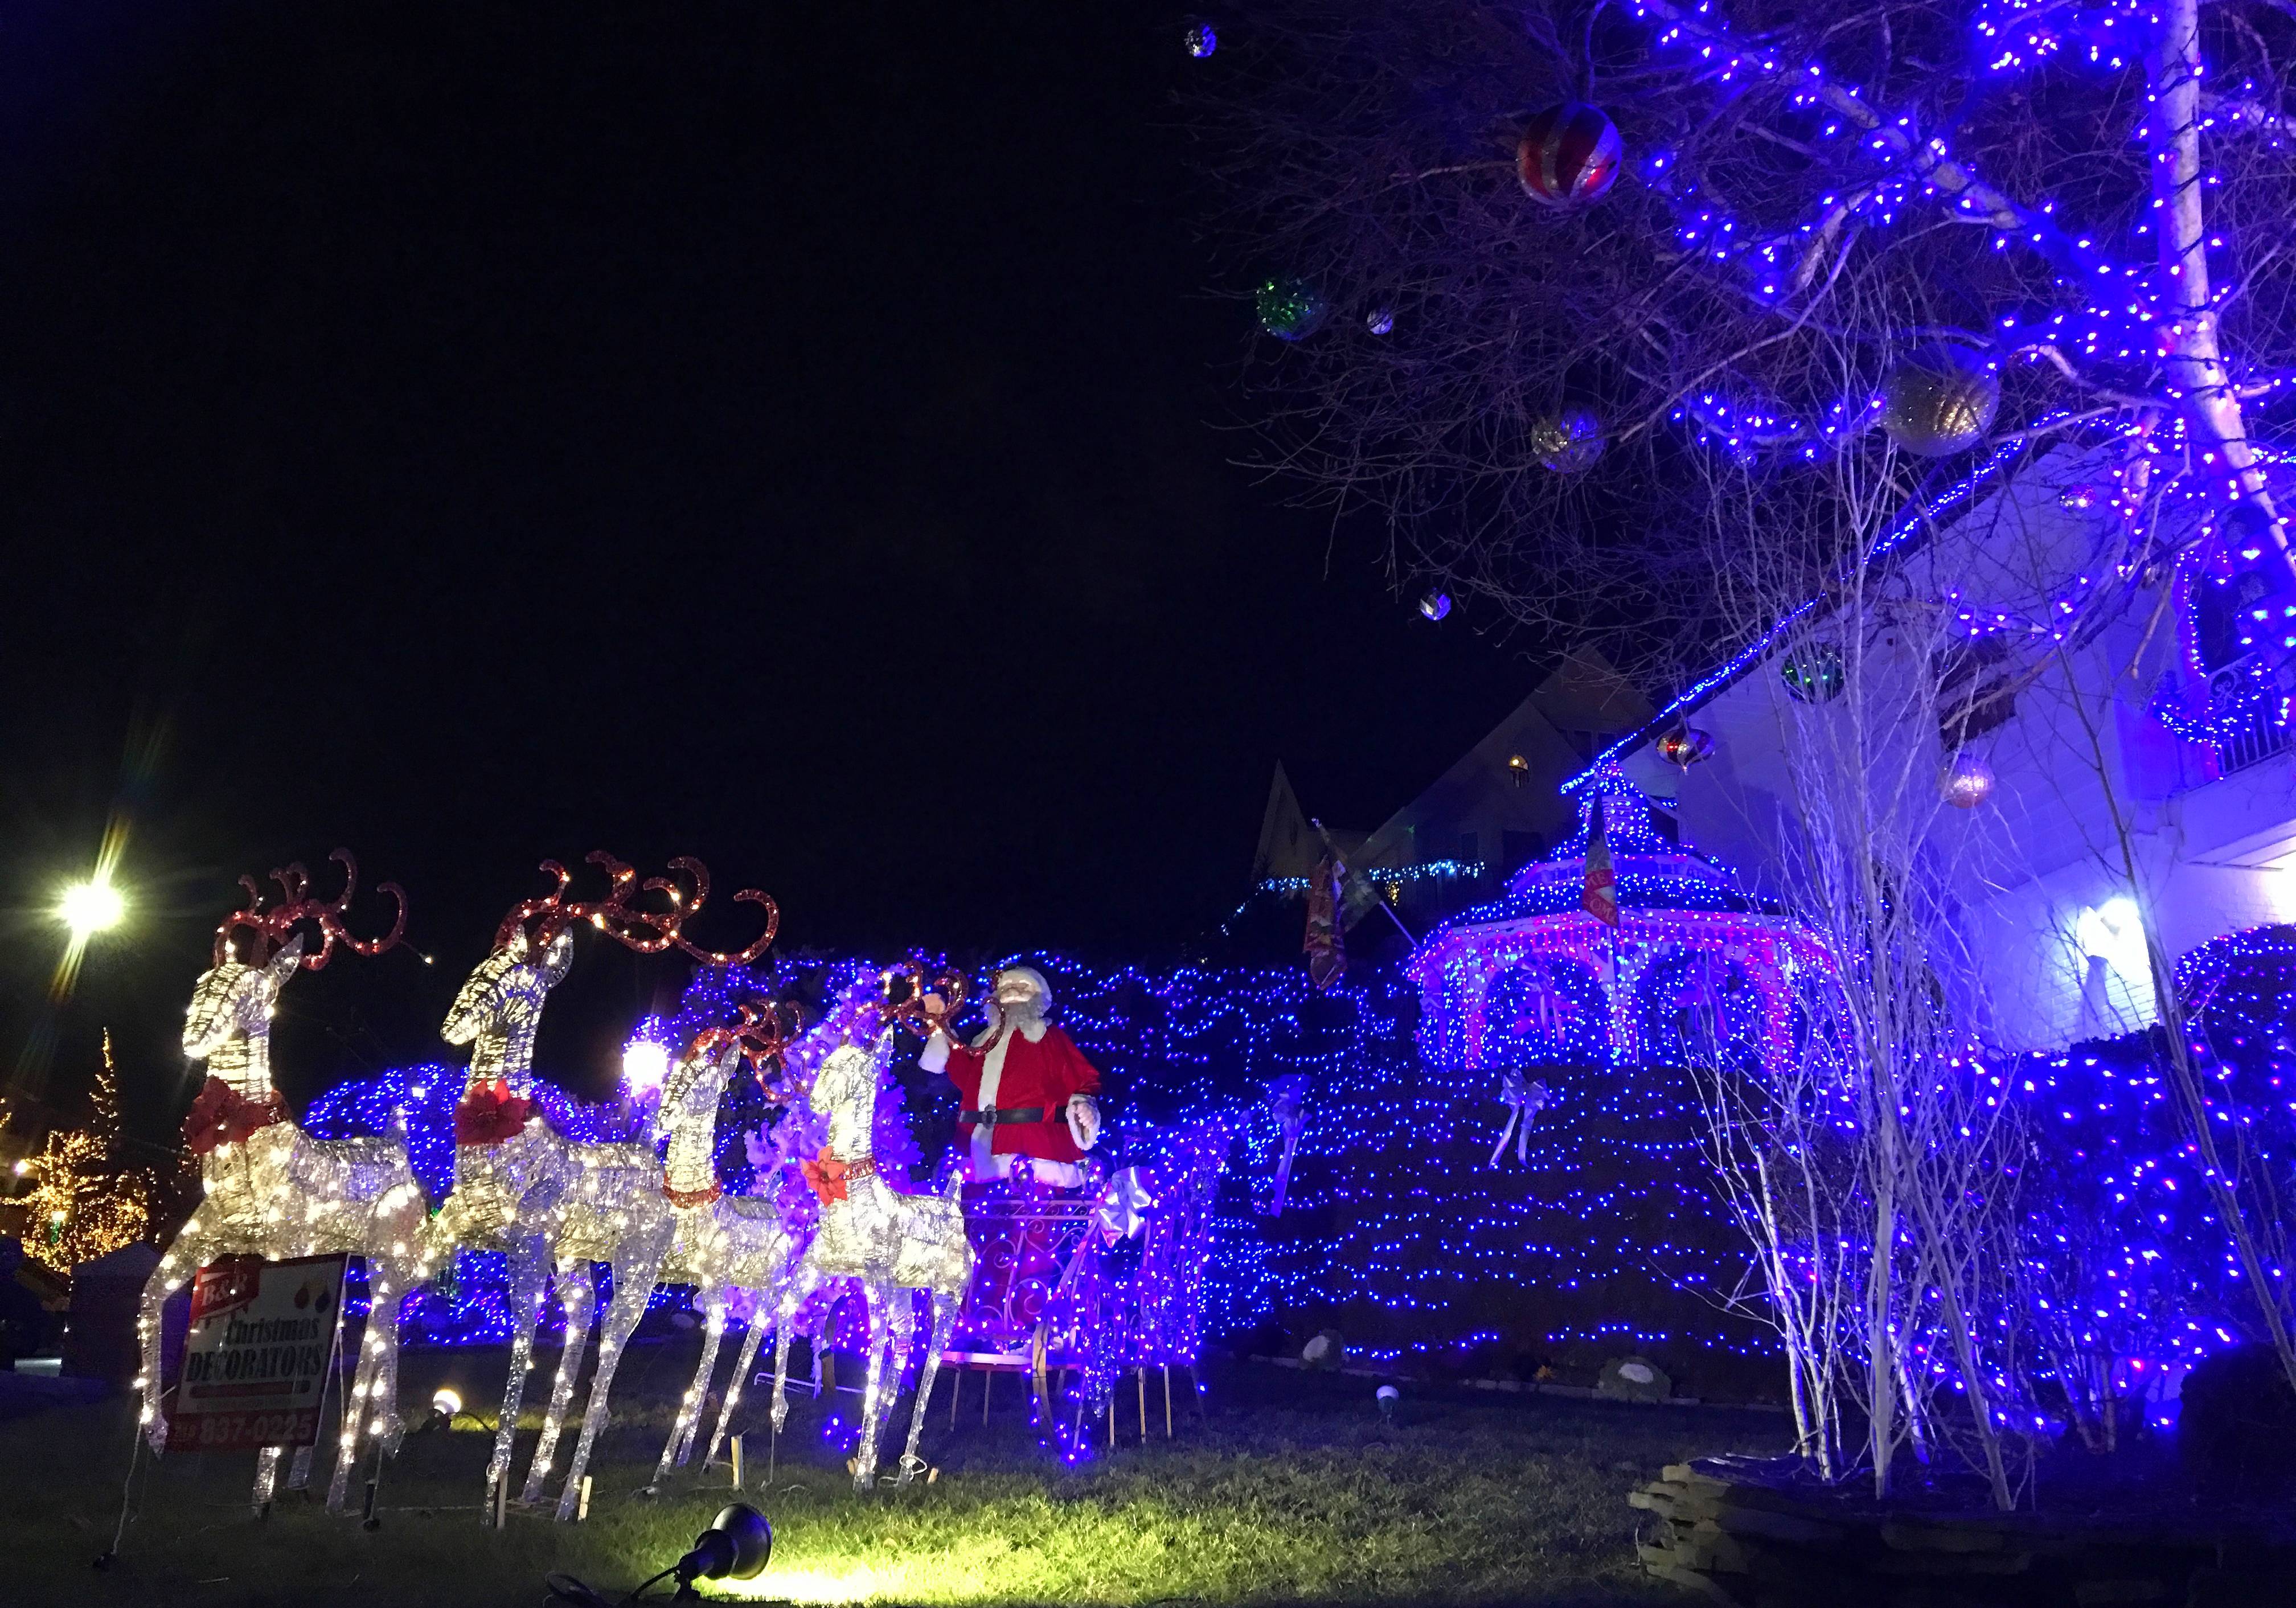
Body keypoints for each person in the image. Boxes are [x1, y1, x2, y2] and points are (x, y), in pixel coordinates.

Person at [920, 966, 1101, 1188]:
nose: (1013, 992)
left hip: (1037, 1150)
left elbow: (1084, 1079)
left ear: (1038, 996)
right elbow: (967, 1080)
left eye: (1022, 987)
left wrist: (1084, 1106)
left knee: (1035, 1207)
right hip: (978, 1147)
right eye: (1006, 988)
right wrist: (939, 1025)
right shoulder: (983, 1041)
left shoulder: (1050, 1038)